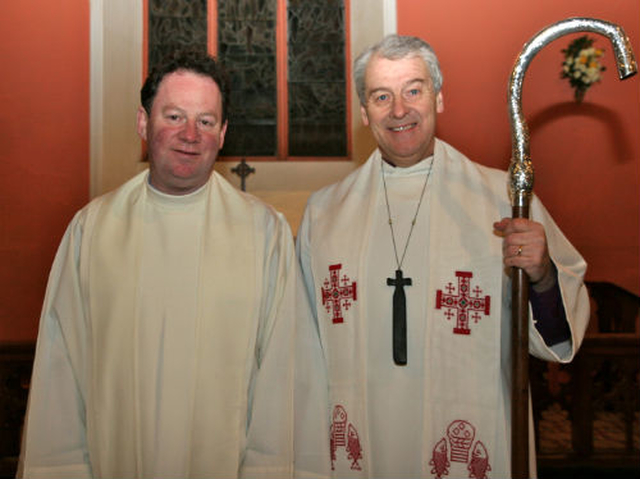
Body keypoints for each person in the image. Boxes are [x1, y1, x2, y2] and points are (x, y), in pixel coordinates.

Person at [296, 34, 590, 478]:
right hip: (362, 439)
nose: (399, 110)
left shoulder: (502, 199)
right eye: (381, 96)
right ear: (363, 113)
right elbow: (301, 349)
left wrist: (544, 275)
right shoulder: (325, 213)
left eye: (413, 90)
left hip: (465, 437)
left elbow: (556, 338)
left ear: (438, 98)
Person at [18, 51, 300, 478]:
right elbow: (62, 370)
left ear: (223, 134)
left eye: (205, 121)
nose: (190, 134)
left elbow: (283, 374)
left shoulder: (265, 234)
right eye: (173, 116)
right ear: (143, 124)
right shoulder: (92, 231)